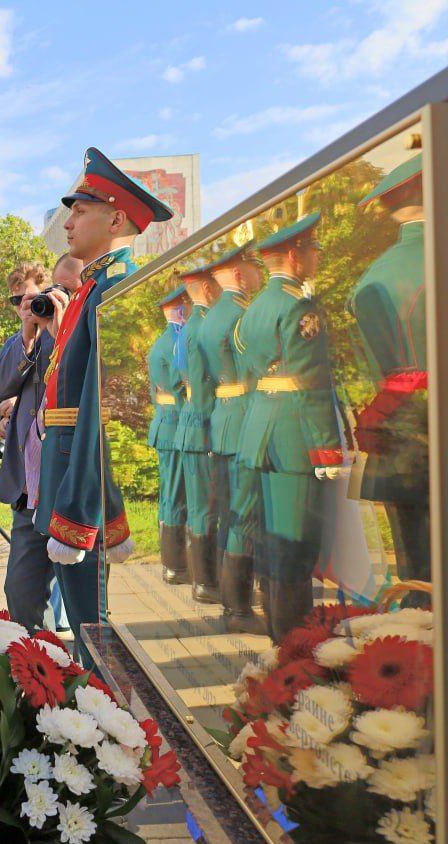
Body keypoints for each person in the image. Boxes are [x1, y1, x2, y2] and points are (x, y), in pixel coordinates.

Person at [36, 147, 172, 665]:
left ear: (116, 219)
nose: (68, 223)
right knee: (84, 624)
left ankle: (104, 731)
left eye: (80, 211)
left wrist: (78, 508)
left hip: (80, 474)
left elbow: (99, 409)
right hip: (68, 465)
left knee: (92, 631)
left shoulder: (112, 291)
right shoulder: (93, 288)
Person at [236, 213, 342, 640]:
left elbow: (247, 362)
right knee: (296, 545)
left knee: (274, 539)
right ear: (296, 255)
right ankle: (295, 644)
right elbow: (312, 382)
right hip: (295, 435)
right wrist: (328, 450)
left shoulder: (256, 306)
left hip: (262, 430)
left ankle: (282, 634)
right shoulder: (300, 307)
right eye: (313, 249)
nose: (317, 256)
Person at [350, 155, 429, 596]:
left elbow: (370, 366)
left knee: (415, 565)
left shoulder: (373, 274)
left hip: (395, 428)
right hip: (430, 424)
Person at [0, 259, 64, 628]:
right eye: (16, 300)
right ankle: (38, 664)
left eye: (32, 298)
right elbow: (0, 387)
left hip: (63, 480)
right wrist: (26, 334)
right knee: (19, 591)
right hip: (27, 489)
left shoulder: (65, 333)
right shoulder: (19, 342)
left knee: (76, 600)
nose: (25, 305)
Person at [199, 242, 268, 634]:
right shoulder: (243, 315)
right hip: (245, 419)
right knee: (245, 515)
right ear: (240, 273)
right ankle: (239, 610)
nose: (260, 274)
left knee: (230, 513)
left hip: (223, 420)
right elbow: (259, 371)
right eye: (254, 267)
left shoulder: (210, 318)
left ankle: (232, 602)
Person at [174, 268, 222, 603]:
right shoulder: (201, 325)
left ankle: (201, 579)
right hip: (203, 424)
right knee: (206, 507)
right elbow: (204, 382)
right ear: (205, 288)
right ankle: (206, 582)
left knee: (198, 505)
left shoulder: (187, 328)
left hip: (189, 423)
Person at [147, 285, 189, 586]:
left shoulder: (165, 342)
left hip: (166, 422)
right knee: (174, 496)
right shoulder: (174, 343)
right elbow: (182, 383)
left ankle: (173, 563)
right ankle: (174, 565)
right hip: (175, 424)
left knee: (170, 495)